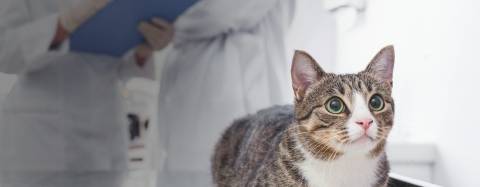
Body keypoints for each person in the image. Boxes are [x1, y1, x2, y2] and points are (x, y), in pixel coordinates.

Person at [0, 0, 173, 186]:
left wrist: (143, 49)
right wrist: (61, 26)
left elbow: (119, 66)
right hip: (42, 144)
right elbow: (6, 52)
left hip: (105, 140)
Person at [156, 0, 295, 186]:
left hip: (232, 118)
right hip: (185, 121)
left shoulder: (185, 26)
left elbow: (225, 12)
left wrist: (172, 28)